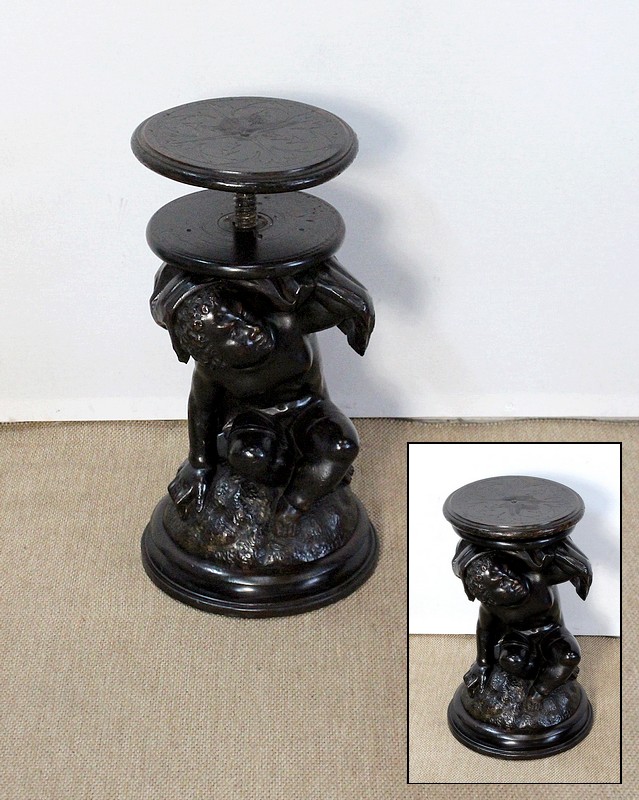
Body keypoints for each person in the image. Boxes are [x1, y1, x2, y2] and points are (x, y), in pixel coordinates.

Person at [149, 258, 375, 526]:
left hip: (309, 409)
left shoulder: (286, 321)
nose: (251, 329)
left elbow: (338, 301)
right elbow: (202, 409)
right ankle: (303, 469)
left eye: (243, 315)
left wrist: (297, 282)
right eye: (234, 333)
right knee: (250, 457)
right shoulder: (214, 371)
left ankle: (293, 506)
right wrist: (199, 464)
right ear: (213, 353)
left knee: (341, 446)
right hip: (255, 419)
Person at [452, 539, 592, 702]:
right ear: (488, 597)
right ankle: (546, 670)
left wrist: (546, 553)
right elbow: (485, 630)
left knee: (570, 656)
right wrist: (483, 664)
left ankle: (538, 692)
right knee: (511, 661)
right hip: (519, 637)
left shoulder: (536, 578)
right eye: (502, 583)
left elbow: (572, 566)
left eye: (507, 572)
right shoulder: (492, 608)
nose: (513, 581)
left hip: (552, 632)